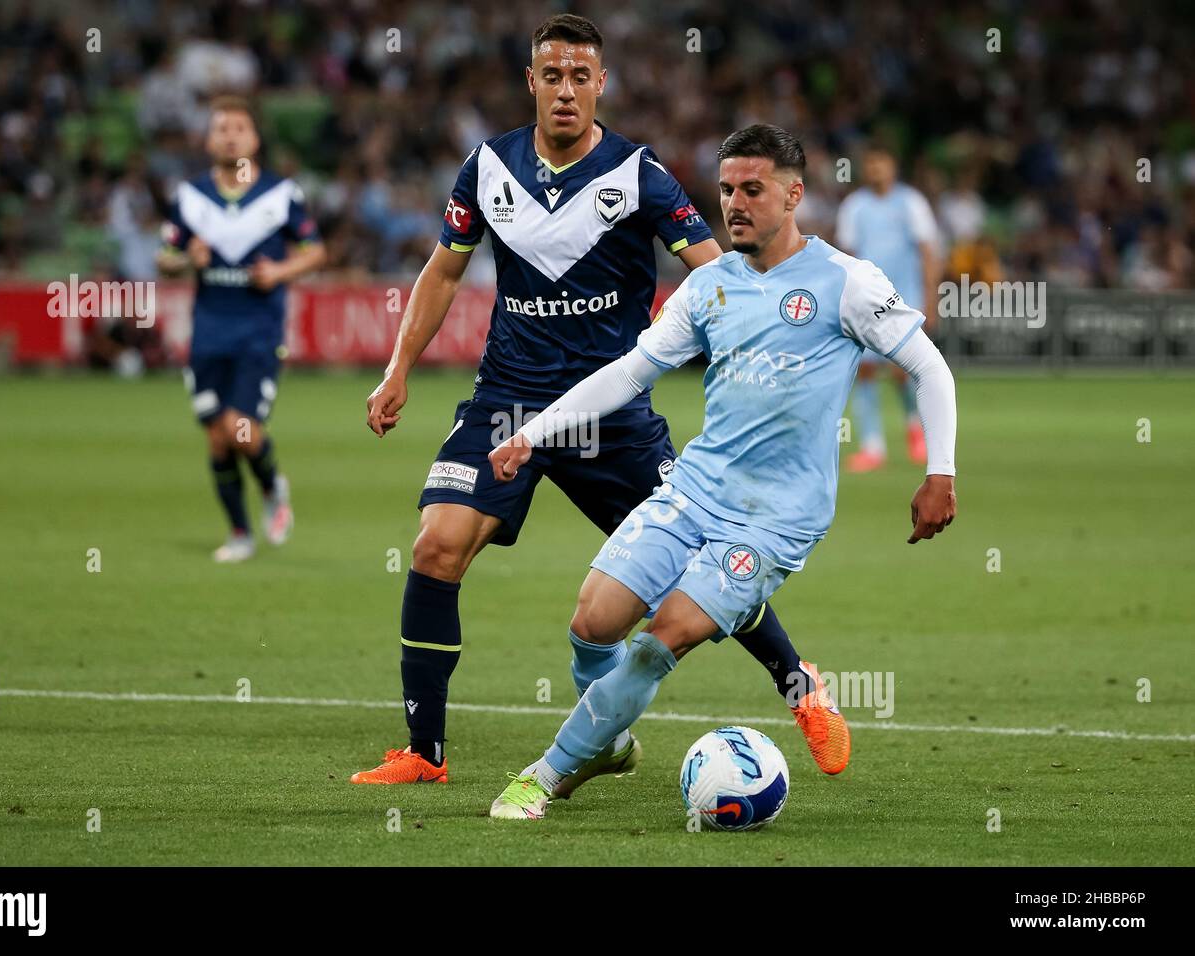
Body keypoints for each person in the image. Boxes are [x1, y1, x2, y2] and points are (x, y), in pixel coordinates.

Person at [353, 15, 824, 790]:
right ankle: (423, 751)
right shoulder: (487, 167)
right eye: (552, 76)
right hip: (510, 402)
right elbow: (443, 271)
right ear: (531, 83)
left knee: (697, 570)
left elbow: (713, 273)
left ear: (602, 84)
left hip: (612, 410)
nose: (566, 90)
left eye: (581, 77)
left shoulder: (640, 175)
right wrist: (399, 367)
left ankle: (800, 686)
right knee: (438, 546)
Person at [483, 124, 957, 821]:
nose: (734, 203)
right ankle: (618, 737)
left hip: (777, 517)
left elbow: (930, 368)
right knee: (591, 624)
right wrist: (533, 433)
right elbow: (629, 372)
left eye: (752, 189)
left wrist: (938, 473)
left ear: (794, 195)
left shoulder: (847, 282)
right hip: (696, 492)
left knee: (657, 643)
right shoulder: (708, 287)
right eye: (727, 189)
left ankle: (548, 774)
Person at [157, 97, 327, 562]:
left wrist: (279, 273)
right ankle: (239, 533)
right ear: (208, 140)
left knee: (241, 428)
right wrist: (183, 259)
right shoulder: (189, 198)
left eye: (239, 127)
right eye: (221, 128)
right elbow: (164, 256)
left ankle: (273, 486)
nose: (230, 135)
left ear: (254, 139)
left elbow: (315, 251)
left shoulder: (280, 196)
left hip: (259, 332)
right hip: (208, 333)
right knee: (217, 437)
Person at [837, 143, 942, 471]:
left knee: (901, 370)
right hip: (865, 300)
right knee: (865, 370)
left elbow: (927, 251)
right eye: (870, 164)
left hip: (904, 297)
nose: (875, 169)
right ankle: (872, 445)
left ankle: (915, 426)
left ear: (893, 166)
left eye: (881, 162)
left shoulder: (911, 202)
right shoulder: (854, 206)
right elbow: (845, 257)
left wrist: (931, 296)